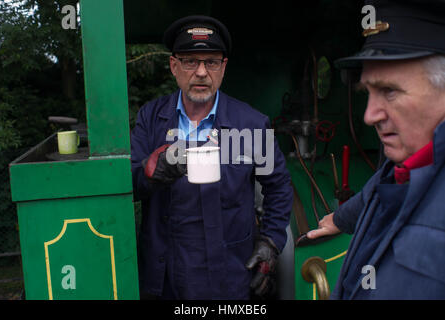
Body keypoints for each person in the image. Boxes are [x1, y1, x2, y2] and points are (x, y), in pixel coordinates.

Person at [130, 15, 293, 300]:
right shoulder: (151, 119)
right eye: (191, 61)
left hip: (228, 275)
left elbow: (278, 186)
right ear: (174, 66)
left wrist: (271, 241)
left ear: (223, 68)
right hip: (164, 274)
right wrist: (151, 172)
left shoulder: (251, 124)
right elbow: (128, 183)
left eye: (211, 62)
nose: (201, 72)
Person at [307, 0, 445, 299]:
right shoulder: (404, 164)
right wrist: (340, 219)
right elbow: (379, 189)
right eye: (368, 92)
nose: (369, 116)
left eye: (390, 91)